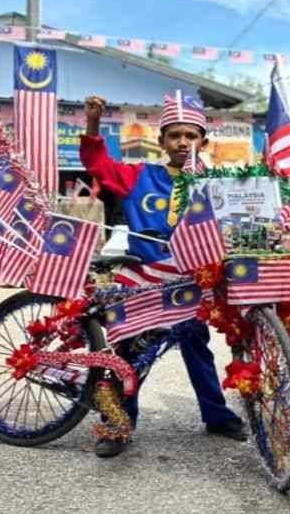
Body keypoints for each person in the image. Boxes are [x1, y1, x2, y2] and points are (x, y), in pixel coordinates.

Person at [80, 92, 247, 458]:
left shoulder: (216, 184)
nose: (182, 142)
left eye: (190, 135)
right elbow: (97, 162)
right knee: (129, 354)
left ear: (203, 141)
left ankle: (216, 415)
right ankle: (117, 426)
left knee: (197, 348)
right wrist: (93, 123)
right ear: (161, 141)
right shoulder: (139, 176)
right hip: (142, 282)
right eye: (175, 135)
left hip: (190, 284)